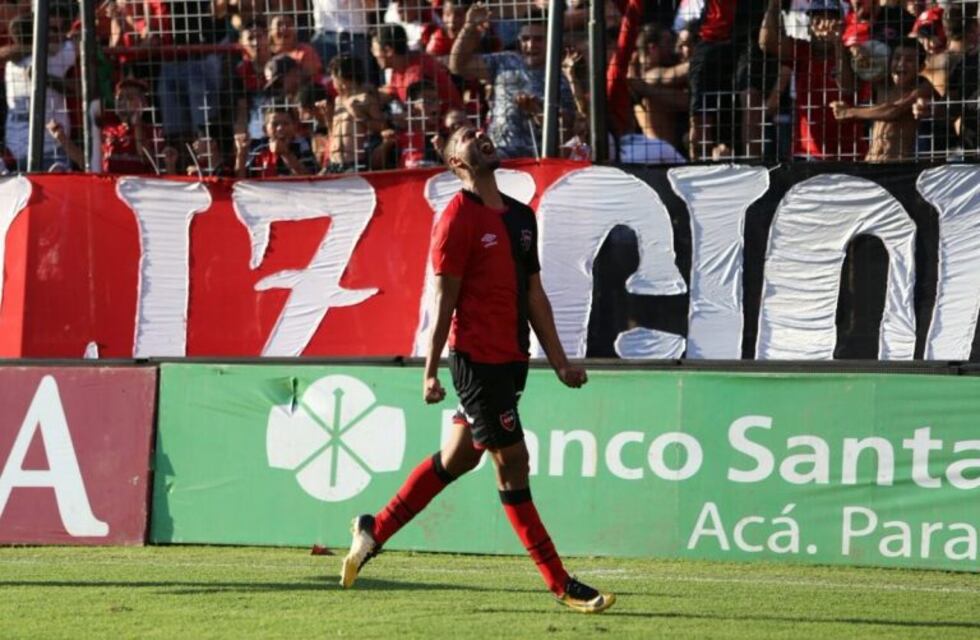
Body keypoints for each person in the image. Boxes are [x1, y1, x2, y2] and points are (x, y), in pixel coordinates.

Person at [339, 123, 615, 614]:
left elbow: (533, 294)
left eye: (481, 129)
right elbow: (443, 301)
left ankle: (373, 529)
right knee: (513, 464)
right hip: (475, 363)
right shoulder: (456, 219)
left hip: (511, 360)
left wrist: (560, 363)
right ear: (456, 163)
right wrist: (430, 371)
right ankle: (561, 584)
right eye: (468, 135)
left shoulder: (522, 219)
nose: (481, 133)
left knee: (460, 458)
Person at [449, 5, 575, 159]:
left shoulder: (564, 75)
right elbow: (458, 66)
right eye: (525, 39)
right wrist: (469, 27)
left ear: (553, 40)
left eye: (539, 39)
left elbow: (567, 128)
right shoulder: (505, 61)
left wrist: (539, 112)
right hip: (496, 155)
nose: (530, 45)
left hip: (539, 159)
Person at [761, 0, 866, 161]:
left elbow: (847, 87)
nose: (822, 27)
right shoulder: (802, 50)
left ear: (840, 24)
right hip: (806, 152)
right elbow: (767, 43)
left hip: (847, 153)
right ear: (809, 26)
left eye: (829, 20)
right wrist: (774, 4)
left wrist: (838, 43)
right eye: (816, 20)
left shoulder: (851, 54)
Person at [831, 39, 934, 162]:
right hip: (870, 160)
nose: (901, 64)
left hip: (898, 164)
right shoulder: (883, 82)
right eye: (897, 58)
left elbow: (893, 111)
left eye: (910, 60)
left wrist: (850, 112)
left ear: (921, 67)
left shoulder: (923, 87)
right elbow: (847, 85)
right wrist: (851, 50)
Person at [235, 106, 318, 176]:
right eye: (275, 124)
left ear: (294, 127)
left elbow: (310, 179)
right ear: (265, 129)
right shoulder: (259, 148)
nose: (280, 128)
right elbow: (241, 181)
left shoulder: (303, 146)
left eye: (285, 124)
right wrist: (241, 153)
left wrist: (286, 154)